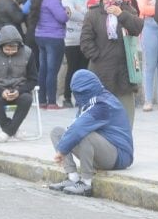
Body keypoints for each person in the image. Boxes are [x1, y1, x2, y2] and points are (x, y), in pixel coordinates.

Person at [49, 69, 134, 197]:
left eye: (79, 92)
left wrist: (61, 151)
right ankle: (72, 178)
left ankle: (86, 183)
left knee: (84, 134)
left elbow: (78, 128)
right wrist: (64, 145)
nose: (77, 95)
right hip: (100, 151)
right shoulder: (89, 101)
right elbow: (73, 127)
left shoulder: (102, 104)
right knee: (57, 132)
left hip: (119, 156)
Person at [80, 0, 143, 126]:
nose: (110, 0)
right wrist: (98, 56)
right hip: (101, 71)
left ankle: (124, 145)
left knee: (125, 117)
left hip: (124, 71)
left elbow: (137, 28)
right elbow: (85, 41)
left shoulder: (127, 10)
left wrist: (121, 14)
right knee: (101, 115)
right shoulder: (93, 14)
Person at [0, 25, 38, 142]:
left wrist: (19, 91)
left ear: (19, 46)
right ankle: (13, 130)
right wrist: (1, 92)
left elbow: (33, 79)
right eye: (7, 49)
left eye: (13, 49)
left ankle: (7, 132)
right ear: (1, 46)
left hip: (20, 90)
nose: (10, 52)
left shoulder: (27, 53)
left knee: (27, 99)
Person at [27, 0, 68, 109]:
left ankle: (42, 100)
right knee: (52, 70)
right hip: (54, 37)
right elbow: (61, 17)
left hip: (40, 35)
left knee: (43, 69)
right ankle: (51, 101)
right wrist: (67, 12)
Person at [61, 0, 90, 108]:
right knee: (72, 69)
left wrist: (82, 11)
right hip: (71, 39)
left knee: (83, 69)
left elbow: (92, 14)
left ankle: (81, 98)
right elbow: (70, 14)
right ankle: (67, 97)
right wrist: (84, 14)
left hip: (86, 39)